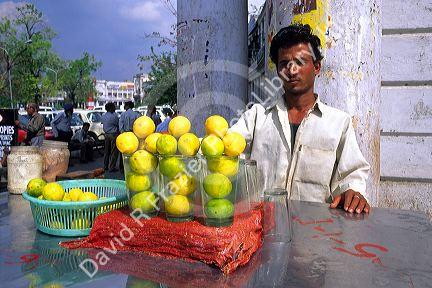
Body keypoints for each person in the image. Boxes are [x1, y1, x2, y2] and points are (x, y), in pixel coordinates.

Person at [230, 24, 371, 214]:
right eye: (284, 63)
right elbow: (224, 148)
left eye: (300, 61)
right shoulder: (256, 117)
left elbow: (352, 174)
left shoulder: (338, 124)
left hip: (316, 231)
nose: (292, 70)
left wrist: (352, 192)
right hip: (261, 228)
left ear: (317, 67)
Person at [101, 102, 120, 172]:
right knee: (114, 152)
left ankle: (105, 166)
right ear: (111, 108)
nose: (115, 108)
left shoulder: (103, 115)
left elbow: (103, 123)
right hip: (113, 134)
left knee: (106, 152)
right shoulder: (114, 116)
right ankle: (111, 167)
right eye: (114, 107)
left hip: (106, 134)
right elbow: (118, 124)